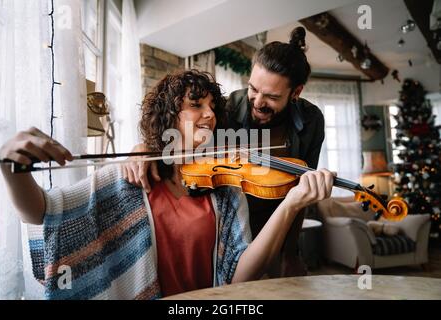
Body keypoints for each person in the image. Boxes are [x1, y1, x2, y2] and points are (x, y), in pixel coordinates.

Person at [0, 70, 334, 300]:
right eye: (196, 105)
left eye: (213, 108)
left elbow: (239, 275)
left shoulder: (227, 191)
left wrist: (290, 204)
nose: (210, 116)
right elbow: (45, 212)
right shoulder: (132, 175)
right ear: (168, 116)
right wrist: (14, 168)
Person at [123, 27, 325, 277]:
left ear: (296, 92)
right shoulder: (229, 107)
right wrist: (143, 148)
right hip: (230, 219)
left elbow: (301, 191)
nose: (258, 102)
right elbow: (182, 137)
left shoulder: (312, 120)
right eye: (253, 89)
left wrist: (291, 253)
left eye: (271, 96)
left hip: (277, 223)